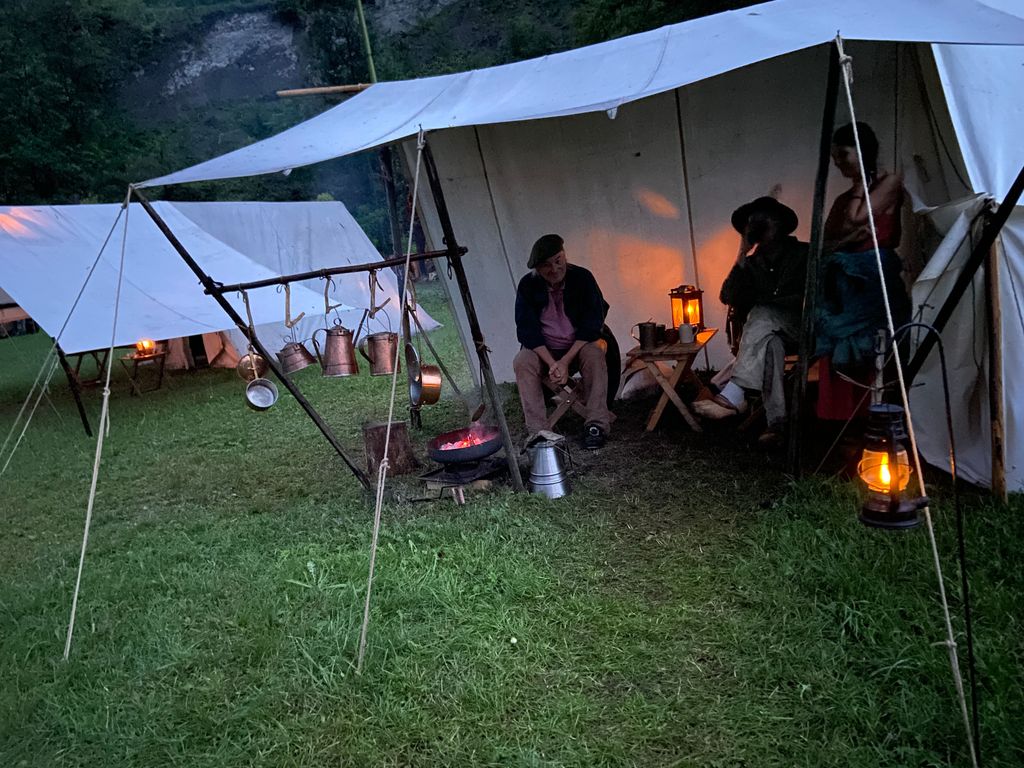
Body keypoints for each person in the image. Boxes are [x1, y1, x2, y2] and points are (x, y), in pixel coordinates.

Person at [815, 122, 910, 422]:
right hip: (844, 286)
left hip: (874, 279)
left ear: (862, 150)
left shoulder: (890, 182)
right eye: (834, 158)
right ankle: (843, 421)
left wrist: (860, 185)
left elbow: (858, 217)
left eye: (843, 155)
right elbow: (826, 243)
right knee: (837, 344)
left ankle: (876, 417)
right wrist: (848, 240)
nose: (838, 163)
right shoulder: (843, 200)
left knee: (874, 349)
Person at [693, 197, 808, 445]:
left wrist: (777, 303)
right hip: (770, 335)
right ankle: (777, 424)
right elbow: (727, 296)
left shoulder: (803, 253)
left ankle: (735, 393)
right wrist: (743, 253)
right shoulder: (753, 263)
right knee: (771, 344)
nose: (758, 225)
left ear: (780, 223)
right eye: (753, 222)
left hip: (804, 329)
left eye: (765, 219)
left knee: (763, 312)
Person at [513, 234, 613, 449]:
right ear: (537, 269)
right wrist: (552, 363)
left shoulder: (582, 278)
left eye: (558, 260)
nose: (555, 269)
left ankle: (596, 424)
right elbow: (527, 330)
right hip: (545, 351)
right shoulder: (528, 285)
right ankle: (539, 432)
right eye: (546, 265)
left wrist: (565, 361)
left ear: (564, 256)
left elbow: (592, 323)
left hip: (578, 346)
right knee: (522, 360)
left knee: (595, 353)